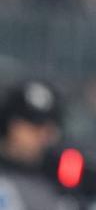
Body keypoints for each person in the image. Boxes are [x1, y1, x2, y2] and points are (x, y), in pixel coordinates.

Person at [0, 80, 67, 209]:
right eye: (35, 126)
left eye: (49, 128)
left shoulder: (59, 178)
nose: (43, 136)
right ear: (10, 125)